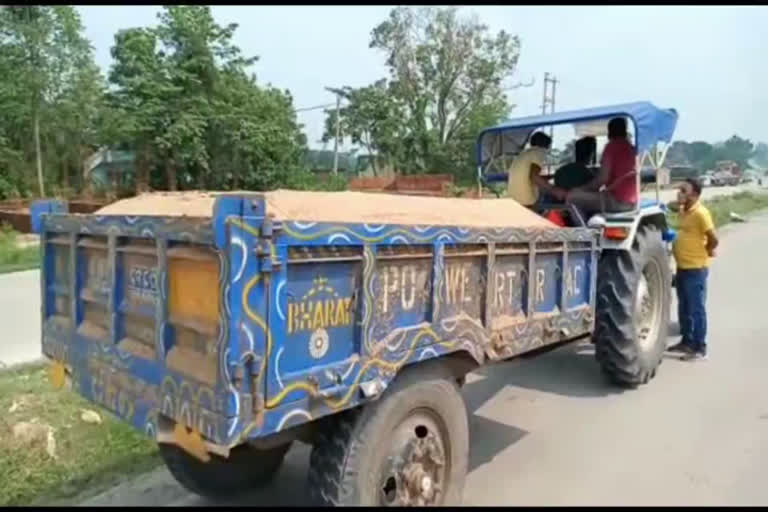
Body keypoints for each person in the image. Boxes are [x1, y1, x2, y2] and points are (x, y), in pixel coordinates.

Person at [667, 178, 719, 361]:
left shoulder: (701, 214)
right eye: (679, 189)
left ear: (695, 194)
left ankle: (699, 347)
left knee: (696, 309)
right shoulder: (684, 211)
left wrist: (709, 249)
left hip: (696, 268)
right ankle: (687, 341)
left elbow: (713, 237)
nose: (679, 193)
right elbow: (672, 205)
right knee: (685, 307)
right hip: (682, 267)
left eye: (684, 190)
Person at [565, 117, 637, 216]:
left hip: (616, 200)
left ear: (609, 132)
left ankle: (582, 230)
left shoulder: (611, 147)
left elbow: (602, 179)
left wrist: (582, 189)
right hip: (632, 201)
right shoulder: (632, 148)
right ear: (625, 131)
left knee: (571, 196)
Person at [507, 131, 566, 207]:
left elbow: (529, 176)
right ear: (546, 145)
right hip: (526, 200)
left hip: (513, 198)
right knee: (551, 198)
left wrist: (553, 176)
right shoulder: (538, 152)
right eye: (549, 146)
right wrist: (554, 190)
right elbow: (534, 176)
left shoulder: (524, 153)